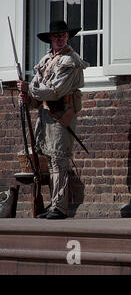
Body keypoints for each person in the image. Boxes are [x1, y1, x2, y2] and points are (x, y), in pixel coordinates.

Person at [17, 20, 88, 219]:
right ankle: (54, 205)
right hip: (47, 114)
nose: (60, 38)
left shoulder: (71, 60)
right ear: (50, 38)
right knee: (49, 160)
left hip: (62, 114)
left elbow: (56, 91)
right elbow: (38, 91)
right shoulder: (47, 60)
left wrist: (29, 90)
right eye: (56, 36)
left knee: (59, 159)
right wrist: (27, 96)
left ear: (67, 36)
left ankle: (60, 208)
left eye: (63, 35)